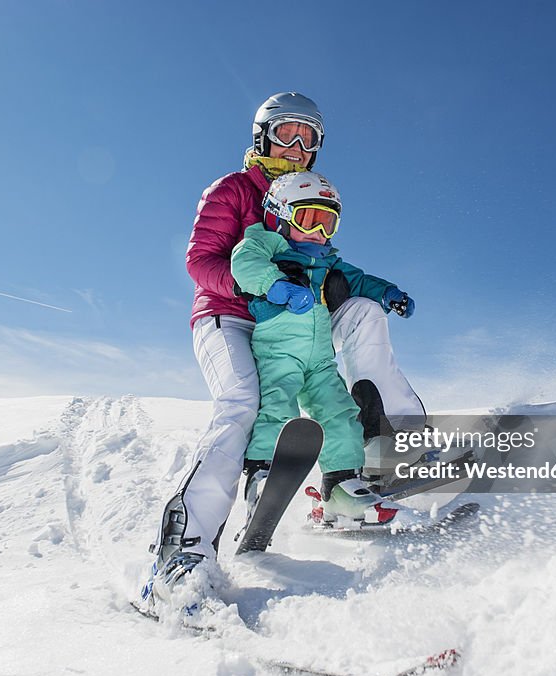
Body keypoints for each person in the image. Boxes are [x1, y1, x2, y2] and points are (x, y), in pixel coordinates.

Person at [145, 92, 425, 605]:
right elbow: (202, 261)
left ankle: (390, 446)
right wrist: (265, 288)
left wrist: (364, 288)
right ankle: (180, 552)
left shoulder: (310, 198)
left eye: (309, 137)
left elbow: (343, 270)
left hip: (304, 325)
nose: (296, 146)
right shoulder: (233, 190)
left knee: (363, 311)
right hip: (230, 313)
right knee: (243, 404)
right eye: (285, 134)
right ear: (262, 136)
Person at [232, 171, 412, 525]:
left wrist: (389, 292)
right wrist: (276, 284)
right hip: (278, 349)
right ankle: (263, 474)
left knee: (340, 413)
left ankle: (341, 486)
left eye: (328, 224)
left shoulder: (328, 261)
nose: (319, 233)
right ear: (279, 215)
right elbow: (244, 263)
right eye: (309, 219)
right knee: (277, 406)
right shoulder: (265, 242)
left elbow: (360, 280)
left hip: (319, 357)